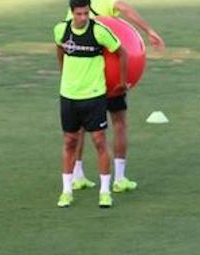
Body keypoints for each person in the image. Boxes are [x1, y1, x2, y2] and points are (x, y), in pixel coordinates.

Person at [67, 0, 166, 194]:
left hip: (84, 78)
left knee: (79, 127)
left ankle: (77, 176)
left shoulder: (74, 9)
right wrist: (149, 31)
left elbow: (67, 42)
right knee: (119, 122)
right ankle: (119, 178)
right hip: (113, 76)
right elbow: (125, 8)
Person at [54, 0, 126, 208]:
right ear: (71, 13)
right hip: (68, 96)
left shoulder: (99, 32)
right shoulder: (61, 30)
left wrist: (121, 83)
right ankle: (67, 191)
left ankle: (105, 192)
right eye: (79, 14)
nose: (84, 18)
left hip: (94, 96)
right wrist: (63, 75)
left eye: (86, 13)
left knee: (99, 141)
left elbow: (122, 53)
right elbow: (59, 49)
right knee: (69, 141)